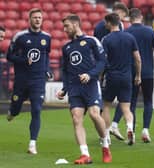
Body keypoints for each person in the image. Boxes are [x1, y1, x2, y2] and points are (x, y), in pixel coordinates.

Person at [56, 14, 112, 164]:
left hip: (91, 85)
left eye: (67, 26)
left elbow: (103, 62)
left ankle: (105, 145)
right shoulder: (66, 47)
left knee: (94, 114)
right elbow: (66, 71)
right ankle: (85, 154)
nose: (64, 29)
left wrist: (90, 74)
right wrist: (64, 89)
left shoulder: (91, 41)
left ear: (75, 25)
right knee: (76, 118)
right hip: (74, 88)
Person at [6, 8, 53, 154]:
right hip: (22, 80)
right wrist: (24, 60)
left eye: (40, 17)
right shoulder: (19, 37)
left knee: (37, 110)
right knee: (15, 109)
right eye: (35, 17)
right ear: (29, 19)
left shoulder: (47, 37)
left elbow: (46, 56)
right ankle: (13, 112)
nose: (38, 20)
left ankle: (32, 144)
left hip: (38, 80)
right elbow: (9, 56)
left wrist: (47, 69)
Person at [123, 8, 154, 143]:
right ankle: (146, 130)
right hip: (148, 73)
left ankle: (132, 131)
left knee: (132, 102)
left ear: (130, 18)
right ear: (141, 17)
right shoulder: (150, 31)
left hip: (131, 72)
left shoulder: (126, 32)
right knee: (148, 101)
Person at [101, 13, 141, 145]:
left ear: (109, 23)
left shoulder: (106, 39)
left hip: (111, 77)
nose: (104, 25)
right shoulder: (130, 38)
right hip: (126, 77)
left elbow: (102, 60)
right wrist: (138, 75)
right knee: (126, 108)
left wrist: (100, 76)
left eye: (105, 23)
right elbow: (138, 59)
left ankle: (106, 135)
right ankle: (130, 128)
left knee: (106, 106)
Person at [94, 2, 129, 141]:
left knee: (121, 100)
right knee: (105, 102)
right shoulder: (101, 28)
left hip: (117, 69)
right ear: (116, 13)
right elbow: (97, 48)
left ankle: (111, 127)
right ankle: (105, 131)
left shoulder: (120, 27)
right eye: (121, 15)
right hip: (106, 69)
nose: (122, 18)